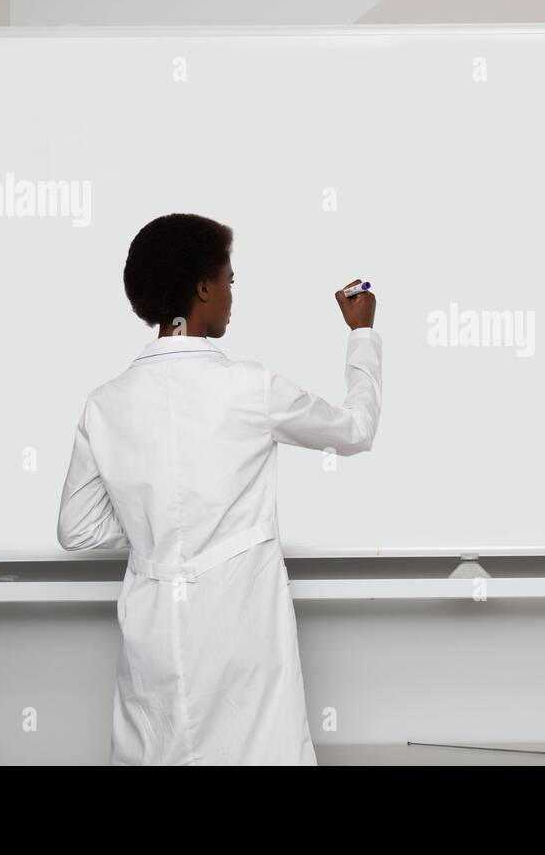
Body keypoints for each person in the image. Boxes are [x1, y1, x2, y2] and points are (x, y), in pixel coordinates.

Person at [56, 212, 381, 765]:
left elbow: (77, 529)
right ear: (203, 288)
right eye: (229, 280)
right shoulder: (250, 387)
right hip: (240, 630)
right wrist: (362, 333)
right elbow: (355, 429)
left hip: (153, 633)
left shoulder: (105, 403)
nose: (233, 294)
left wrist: (154, 517)